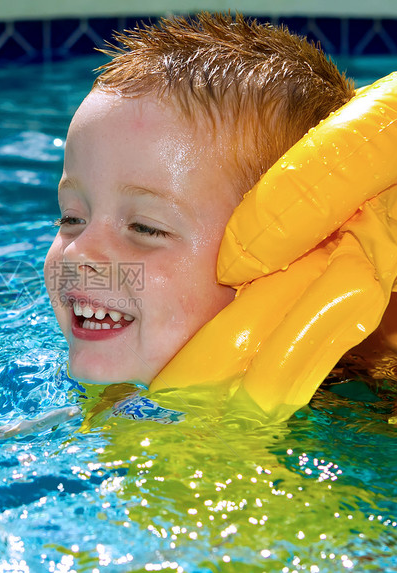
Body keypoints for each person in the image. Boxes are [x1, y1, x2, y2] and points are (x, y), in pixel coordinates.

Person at [43, 13, 354, 386]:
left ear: (280, 260)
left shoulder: (349, 424)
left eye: (145, 227)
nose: (78, 253)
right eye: (71, 218)